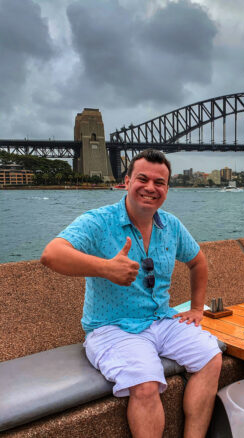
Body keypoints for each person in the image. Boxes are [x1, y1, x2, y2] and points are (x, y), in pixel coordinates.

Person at [41, 149, 222, 438]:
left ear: (167, 189)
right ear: (126, 181)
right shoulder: (99, 221)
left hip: (161, 320)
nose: (151, 188)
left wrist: (197, 308)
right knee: (146, 384)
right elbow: (51, 254)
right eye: (143, 179)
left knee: (211, 357)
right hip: (112, 327)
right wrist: (106, 268)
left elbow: (198, 261)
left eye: (159, 182)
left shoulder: (171, 225)